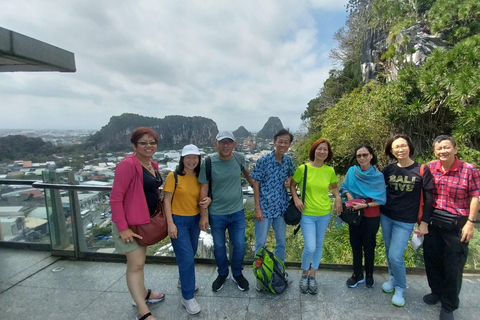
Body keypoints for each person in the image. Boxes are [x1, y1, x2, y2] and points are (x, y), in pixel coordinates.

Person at [423, 135, 480, 320]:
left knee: (453, 267)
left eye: (447, 148)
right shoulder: (430, 167)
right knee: (432, 261)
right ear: (434, 151)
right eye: (439, 149)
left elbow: (476, 197)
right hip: (434, 222)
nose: (443, 151)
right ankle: (436, 292)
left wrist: (471, 223)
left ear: (455, 149)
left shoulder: (469, 170)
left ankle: (449, 305)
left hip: (457, 224)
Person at [110, 127, 164, 320]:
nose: (149, 146)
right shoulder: (128, 165)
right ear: (134, 145)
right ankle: (142, 310)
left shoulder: (153, 164)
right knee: (136, 264)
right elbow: (115, 199)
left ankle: (143, 293)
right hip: (129, 225)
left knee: (139, 263)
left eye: (152, 142)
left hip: (143, 222)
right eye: (143, 143)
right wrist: (123, 228)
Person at [380, 135, 434, 307]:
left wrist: (424, 222)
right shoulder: (388, 169)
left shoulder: (421, 170)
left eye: (403, 145)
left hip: (406, 220)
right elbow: (376, 189)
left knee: (396, 255)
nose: (400, 149)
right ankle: (393, 278)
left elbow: (429, 198)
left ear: (409, 147)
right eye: (396, 147)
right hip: (386, 216)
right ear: (391, 151)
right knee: (389, 252)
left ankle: (401, 287)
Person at [198, 131, 255, 292]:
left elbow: (251, 178)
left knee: (239, 245)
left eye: (229, 142)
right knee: (219, 247)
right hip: (216, 213)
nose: (225, 145)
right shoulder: (208, 162)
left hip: (237, 211)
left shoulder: (239, 158)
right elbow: (204, 188)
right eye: (222, 142)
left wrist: (261, 194)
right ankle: (222, 273)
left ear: (234, 144)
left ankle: (237, 273)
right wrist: (203, 215)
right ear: (216, 143)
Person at [163, 144, 211, 315]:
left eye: (195, 157)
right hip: (178, 221)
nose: (191, 161)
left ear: (199, 159)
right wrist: (170, 223)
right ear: (182, 159)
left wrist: (208, 202)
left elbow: (205, 196)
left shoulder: (200, 177)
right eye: (188, 157)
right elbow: (166, 201)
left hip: (195, 220)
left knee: (190, 254)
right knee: (187, 258)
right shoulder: (173, 176)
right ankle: (187, 297)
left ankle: (183, 280)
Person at [290, 139, 342, 294]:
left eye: (325, 150)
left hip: (324, 213)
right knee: (310, 246)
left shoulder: (329, 170)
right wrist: (296, 199)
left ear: (328, 153)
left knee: (318, 245)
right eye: (319, 149)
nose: (322, 152)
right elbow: (292, 184)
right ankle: (304, 273)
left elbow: (334, 187)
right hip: (307, 213)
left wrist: (338, 198)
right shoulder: (303, 168)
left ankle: (313, 275)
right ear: (314, 150)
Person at [250, 129, 295, 290]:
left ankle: (278, 272)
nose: (283, 144)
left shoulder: (289, 161)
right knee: (260, 243)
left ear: (289, 144)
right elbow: (255, 183)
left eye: (286, 142)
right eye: (280, 141)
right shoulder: (264, 160)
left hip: (281, 207)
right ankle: (260, 276)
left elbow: (294, 177)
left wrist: (289, 180)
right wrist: (257, 208)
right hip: (264, 207)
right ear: (274, 142)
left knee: (281, 243)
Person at [339, 144, 387, 289]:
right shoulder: (352, 171)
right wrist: (349, 196)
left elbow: (381, 199)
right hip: (354, 212)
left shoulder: (378, 176)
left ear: (371, 155)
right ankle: (357, 274)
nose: (362, 158)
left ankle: (370, 275)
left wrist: (364, 205)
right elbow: (344, 188)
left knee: (369, 245)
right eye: (359, 155)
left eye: (365, 155)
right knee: (355, 244)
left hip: (371, 214)